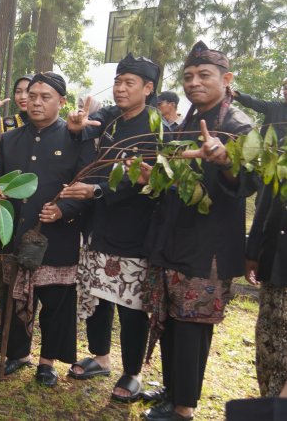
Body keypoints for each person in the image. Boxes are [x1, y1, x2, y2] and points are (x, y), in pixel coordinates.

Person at [141, 41, 257, 421]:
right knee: (174, 318)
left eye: (203, 75)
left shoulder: (238, 125)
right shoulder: (188, 121)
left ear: (226, 79)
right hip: (175, 236)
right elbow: (176, 178)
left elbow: (250, 182)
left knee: (193, 323)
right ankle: (173, 389)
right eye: (188, 76)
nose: (194, 83)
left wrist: (226, 160)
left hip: (206, 245)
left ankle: (184, 407)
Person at [62, 54, 162, 402]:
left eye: (129, 83)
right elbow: (86, 126)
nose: (120, 88)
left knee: (130, 303)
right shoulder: (110, 119)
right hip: (96, 223)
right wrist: (78, 123)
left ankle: (132, 370)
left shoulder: (156, 127)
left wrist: (98, 190)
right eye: (118, 81)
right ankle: (100, 356)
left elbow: (144, 179)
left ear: (148, 89)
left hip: (132, 226)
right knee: (96, 295)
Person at [0, 72, 95, 387]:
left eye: (45, 96)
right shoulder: (10, 139)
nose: (35, 102)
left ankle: (47, 361)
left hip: (59, 235)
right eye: (32, 95)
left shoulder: (76, 138)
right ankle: (17, 354)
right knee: (19, 299)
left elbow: (89, 183)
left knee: (56, 302)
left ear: (61, 102)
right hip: (20, 233)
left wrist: (64, 210)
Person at [0, 73, 33, 337]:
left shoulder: (52, 128)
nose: (24, 97)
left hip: (30, 204)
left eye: (30, 91)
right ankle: (0, 308)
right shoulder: (3, 123)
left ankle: (23, 312)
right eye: (19, 91)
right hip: (3, 201)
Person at [246, 181, 287, 399]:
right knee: (268, 346)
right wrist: (253, 251)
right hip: (275, 262)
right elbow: (265, 197)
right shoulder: (280, 148)